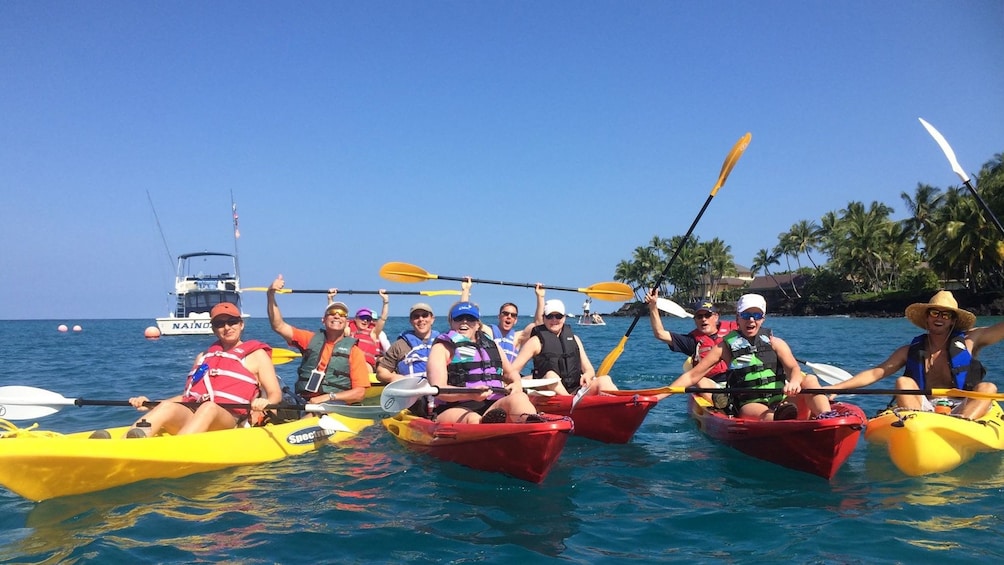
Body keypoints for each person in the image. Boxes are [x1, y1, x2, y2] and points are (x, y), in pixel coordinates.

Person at [105, 302, 283, 439]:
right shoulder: (203, 357)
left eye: (232, 322)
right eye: (220, 323)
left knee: (209, 407)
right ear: (214, 329)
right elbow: (187, 397)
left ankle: (177, 451)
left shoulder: (257, 355)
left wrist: (264, 402)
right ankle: (125, 443)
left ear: (241, 324)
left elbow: (275, 393)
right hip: (195, 413)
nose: (227, 327)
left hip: (229, 419)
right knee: (167, 406)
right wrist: (151, 404)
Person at [826, 290, 1004, 419]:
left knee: (988, 388)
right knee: (903, 382)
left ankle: (965, 424)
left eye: (946, 315)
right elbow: (876, 372)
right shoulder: (909, 350)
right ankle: (916, 424)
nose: (939, 318)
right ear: (927, 317)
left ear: (952, 320)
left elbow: (999, 330)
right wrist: (837, 388)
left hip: (963, 405)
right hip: (922, 409)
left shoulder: (971, 340)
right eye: (935, 313)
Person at [667, 294, 833, 420]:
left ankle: (827, 417)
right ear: (738, 318)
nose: (751, 320)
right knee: (762, 413)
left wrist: (795, 382)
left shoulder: (776, 342)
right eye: (746, 316)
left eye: (757, 316)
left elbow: (793, 368)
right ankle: (780, 420)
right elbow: (692, 375)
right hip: (751, 405)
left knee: (810, 379)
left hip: (781, 399)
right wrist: (660, 394)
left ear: (763, 319)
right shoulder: (724, 347)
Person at [426, 301, 542, 424]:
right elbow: (439, 389)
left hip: (492, 405)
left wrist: (517, 383)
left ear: (477, 324)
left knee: (520, 398)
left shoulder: (491, 345)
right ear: (451, 322)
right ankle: (486, 428)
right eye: (459, 318)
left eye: (470, 318)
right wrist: (471, 395)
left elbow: (510, 373)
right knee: (473, 419)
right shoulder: (442, 348)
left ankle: (532, 426)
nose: (464, 322)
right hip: (455, 407)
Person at [267, 274, 371, 404]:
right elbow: (278, 326)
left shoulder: (354, 352)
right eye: (332, 313)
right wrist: (271, 295)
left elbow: (360, 393)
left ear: (347, 322)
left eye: (342, 314)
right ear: (323, 320)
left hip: (334, 404)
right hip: (304, 400)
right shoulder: (309, 339)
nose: (337, 316)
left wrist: (328, 397)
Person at [509, 298, 618, 396]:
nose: (554, 320)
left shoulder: (575, 339)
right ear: (543, 318)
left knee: (605, 380)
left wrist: (587, 375)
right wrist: (516, 383)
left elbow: (589, 369)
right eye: (549, 316)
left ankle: (621, 406)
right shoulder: (535, 342)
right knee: (551, 376)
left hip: (576, 389)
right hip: (548, 392)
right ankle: (569, 401)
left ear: (564, 318)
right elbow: (513, 370)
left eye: (558, 316)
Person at [644, 290, 738, 401]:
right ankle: (721, 402)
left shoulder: (735, 330)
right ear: (695, 320)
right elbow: (660, 334)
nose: (703, 319)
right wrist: (653, 307)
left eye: (707, 315)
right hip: (712, 385)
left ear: (716, 317)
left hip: (737, 380)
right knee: (697, 378)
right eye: (699, 316)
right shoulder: (692, 341)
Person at [376, 302, 440, 385]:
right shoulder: (399, 345)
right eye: (416, 316)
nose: (421, 319)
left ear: (432, 319)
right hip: (410, 392)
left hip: (437, 393)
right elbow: (381, 372)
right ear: (411, 321)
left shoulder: (443, 343)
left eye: (425, 315)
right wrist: (395, 378)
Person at [481, 283, 545, 364]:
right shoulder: (489, 332)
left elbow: (538, 324)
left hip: (510, 375)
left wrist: (540, 296)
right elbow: (467, 321)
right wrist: (466, 290)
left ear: (515, 320)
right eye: (505, 313)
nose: (509, 317)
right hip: (493, 374)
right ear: (499, 316)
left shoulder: (518, 337)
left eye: (513, 315)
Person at [329, 288, 389, 371]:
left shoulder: (373, 333)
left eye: (368, 319)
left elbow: (383, 318)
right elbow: (334, 317)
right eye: (362, 318)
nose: (365, 321)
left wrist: (385, 301)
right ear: (356, 319)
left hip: (365, 364)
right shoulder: (347, 329)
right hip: (347, 362)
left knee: (362, 366)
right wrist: (331, 299)